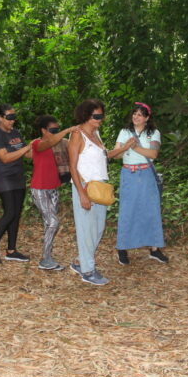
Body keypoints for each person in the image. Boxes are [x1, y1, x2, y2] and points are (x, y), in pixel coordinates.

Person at [68, 99, 122, 285]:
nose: (101, 119)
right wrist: (82, 193)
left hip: (99, 187)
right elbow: (72, 167)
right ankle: (88, 270)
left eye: (101, 115)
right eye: (97, 116)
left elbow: (104, 157)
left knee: (98, 228)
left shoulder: (96, 134)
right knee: (86, 229)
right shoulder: (77, 135)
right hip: (84, 186)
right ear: (86, 116)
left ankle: (79, 261)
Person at [112, 102, 168, 265]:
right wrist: (124, 148)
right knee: (127, 211)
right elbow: (116, 155)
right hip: (129, 174)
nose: (136, 117)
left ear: (147, 118)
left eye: (140, 115)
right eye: (134, 114)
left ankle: (154, 249)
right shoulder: (124, 132)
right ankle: (122, 248)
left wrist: (133, 147)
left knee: (151, 210)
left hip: (146, 175)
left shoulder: (154, 133)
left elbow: (153, 153)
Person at [0, 104, 33, 264]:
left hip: (18, 176)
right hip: (4, 177)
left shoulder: (16, 133)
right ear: (0, 117)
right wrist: (26, 148)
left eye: (14, 117)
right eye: (9, 117)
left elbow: (27, 154)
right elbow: (4, 157)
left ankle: (11, 250)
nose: (12, 121)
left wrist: (41, 147)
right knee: (10, 212)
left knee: (16, 214)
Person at [30, 115, 76, 271]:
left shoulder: (61, 144)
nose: (56, 132)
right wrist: (67, 130)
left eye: (57, 129)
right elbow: (48, 143)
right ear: (43, 130)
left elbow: (75, 146)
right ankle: (45, 258)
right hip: (39, 189)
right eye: (53, 130)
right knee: (53, 222)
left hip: (53, 188)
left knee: (48, 223)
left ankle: (47, 256)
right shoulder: (37, 144)